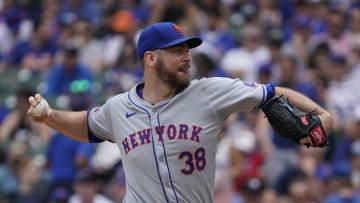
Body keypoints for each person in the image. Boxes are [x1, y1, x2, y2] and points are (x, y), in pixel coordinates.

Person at [27, 22, 333, 203]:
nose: (186, 58)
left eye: (187, 50)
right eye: (177, 51)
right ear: (150, 58)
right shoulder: (119, 107)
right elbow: (86, 125)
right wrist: (50, 117)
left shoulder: (209, 92)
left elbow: (271, 91)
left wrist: (322, 114)